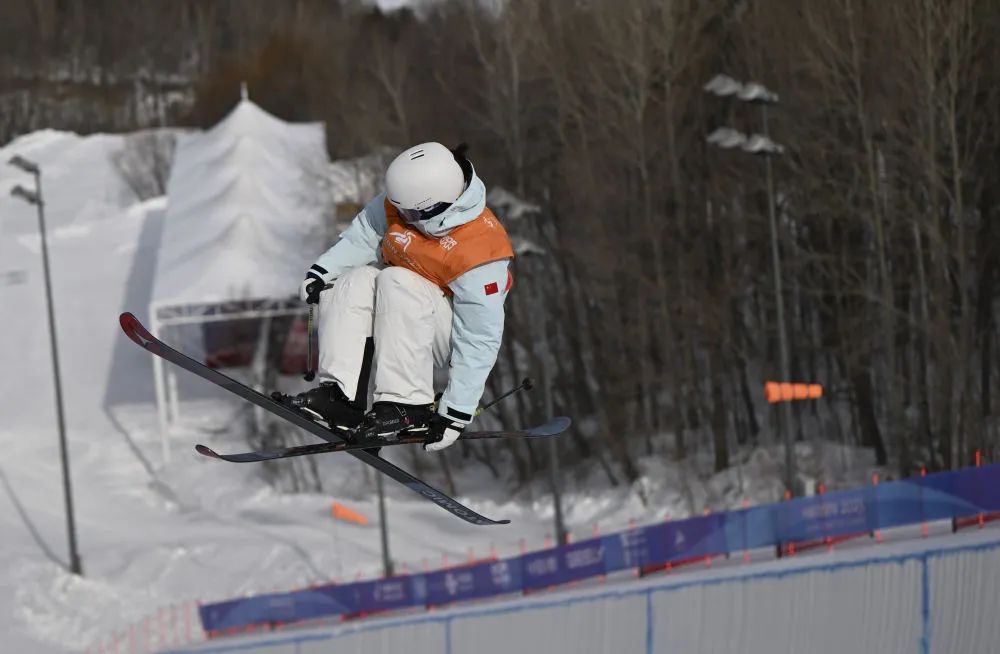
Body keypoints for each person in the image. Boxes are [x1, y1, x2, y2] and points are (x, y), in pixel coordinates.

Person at [288, 142, 513, 452]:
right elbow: (365, 234)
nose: (402, 218)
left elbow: (480, 337)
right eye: (400, 208)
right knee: (357, 279)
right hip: (400, 316)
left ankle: (406, 405)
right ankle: (341, 397)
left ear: (438, 205)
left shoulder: (481, 251)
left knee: (397, 279)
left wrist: (456, 413)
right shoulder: (406, 203)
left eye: (410, 212)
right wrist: (323, 271)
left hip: (444, 332)